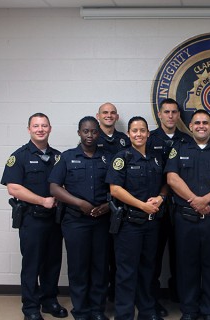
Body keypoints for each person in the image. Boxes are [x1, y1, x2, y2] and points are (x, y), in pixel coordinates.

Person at [165, 109, 210, 320]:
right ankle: (189, 310)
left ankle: (209, 311)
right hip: (185, 218)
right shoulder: (179, 148)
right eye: (197, 122)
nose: (201, 126)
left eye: (205, 123)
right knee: (186, 266)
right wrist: (195, 201)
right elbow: (172, 179)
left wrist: (204, 200)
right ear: (190, 126)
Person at [0, 113, 67, 320]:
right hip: (32, 219)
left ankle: (49, 301)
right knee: (32, 264)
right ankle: (30, 307)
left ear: (50, 128)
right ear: (29, 129)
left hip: (55, 219)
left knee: (53, 262)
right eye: (36, 126)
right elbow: (13, 188)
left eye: (44, 125)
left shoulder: (59, 157)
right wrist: (42, 200)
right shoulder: (19, 156)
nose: (40, 129)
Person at [106, 116, 168, 320]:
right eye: (135, 131)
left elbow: (166, 183)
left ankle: (147, 311)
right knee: (126, 272)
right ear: (128, 134)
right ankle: (124, 314)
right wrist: (142, 205)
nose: (139, 134)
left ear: (148, 134)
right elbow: (115, 190)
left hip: (151, 224)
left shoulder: (157, 157)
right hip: (129, 224)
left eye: (142, 130)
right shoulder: (121, 158)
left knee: (148, 270)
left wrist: (160, 198)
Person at [49, 116, 111, 320]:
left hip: (102, 220)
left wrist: (107, 205)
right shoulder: (67, 157)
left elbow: (117, 186)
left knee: (100, 266)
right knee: (78, 266)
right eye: (86, 131)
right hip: (75, 221)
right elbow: (54, 188)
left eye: (94, 131)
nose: (90, 135)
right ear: (79, 133)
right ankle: (81, 310)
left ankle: (97, 309)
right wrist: (79, 203)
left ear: (99, 133)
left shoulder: (108, 157)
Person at [148, 98, 193, 317]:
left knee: (181, 254)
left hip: (182, 205)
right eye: (166, 112)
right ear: (160, 114)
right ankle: (153, 300)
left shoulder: (187, 139)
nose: (170, 116)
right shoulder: (150, 138)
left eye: (174, 112)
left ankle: (180, 296)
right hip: (157, 205)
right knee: (154, 255)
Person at [96, 102, 130, 302]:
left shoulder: (125, 141)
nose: (108, 116)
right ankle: (101, 299)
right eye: (104, 113)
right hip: (99, 206)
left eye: (112, 113)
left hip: (122, 206)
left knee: (120, 256)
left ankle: (118, 297)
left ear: (117, 117)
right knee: (101, 256)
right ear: (98, 116)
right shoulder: (90, 136)